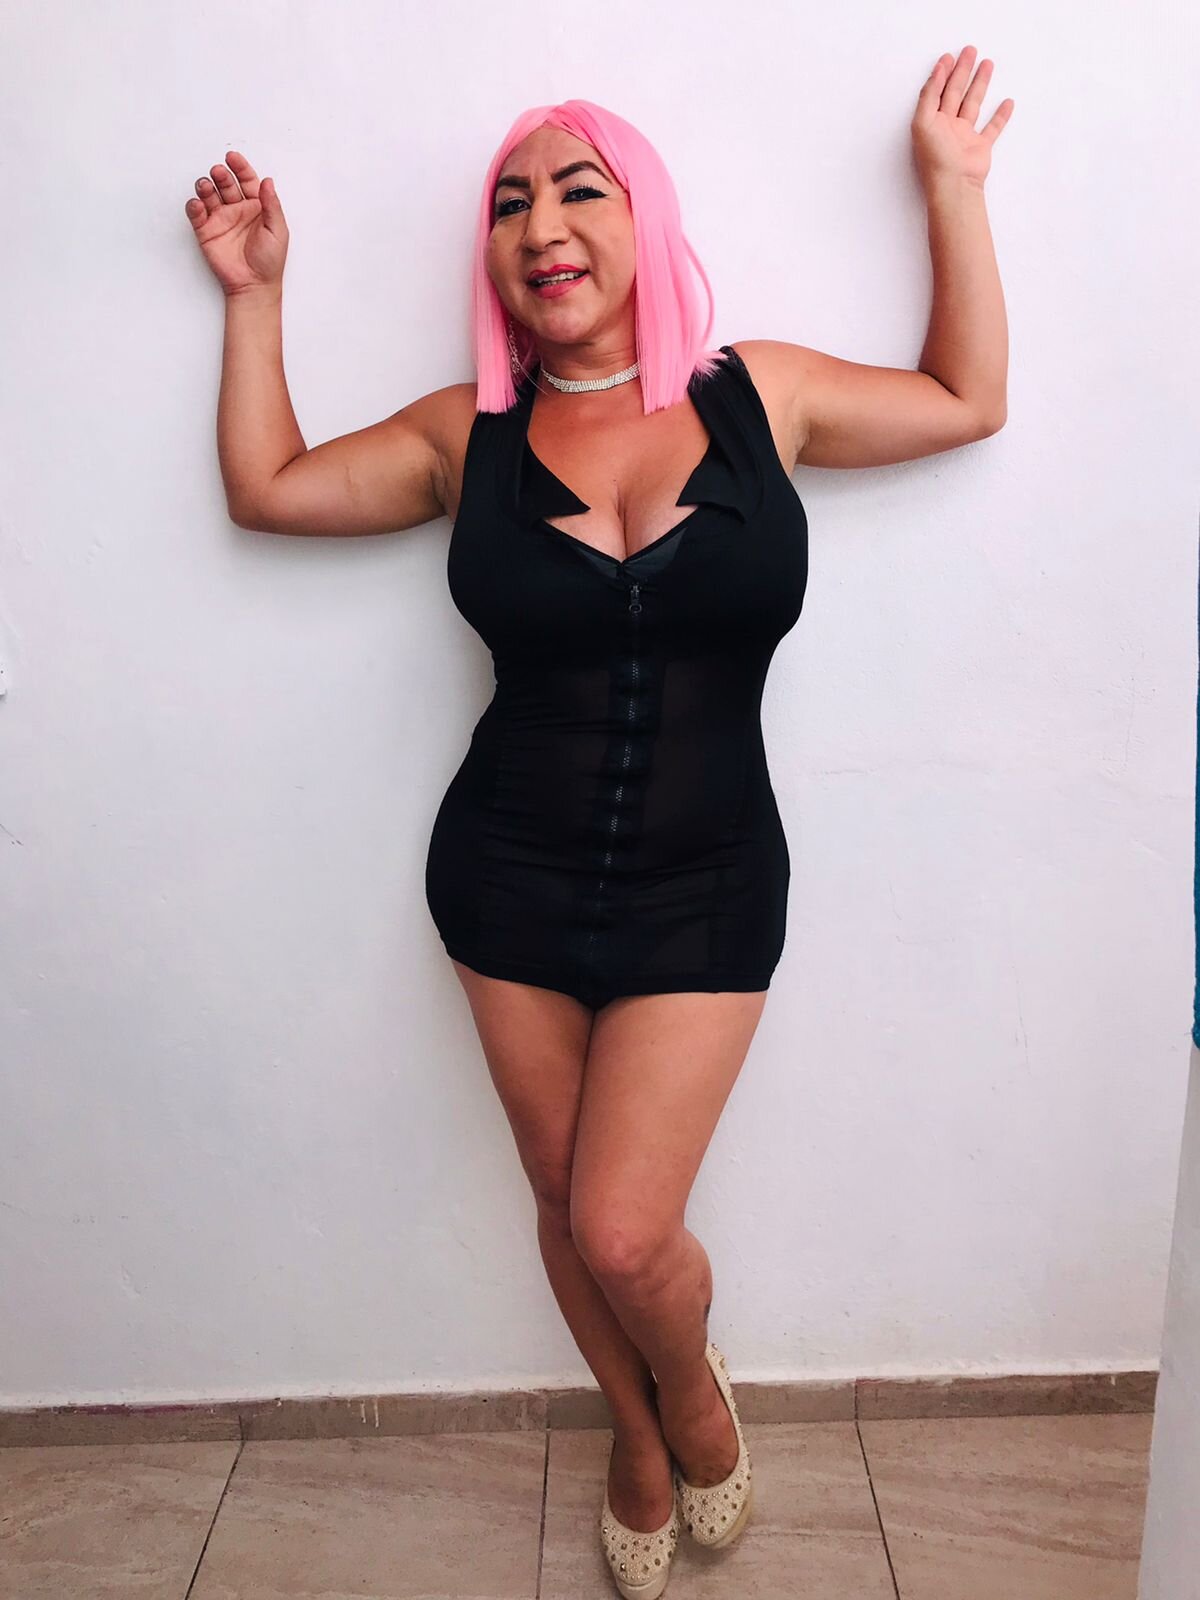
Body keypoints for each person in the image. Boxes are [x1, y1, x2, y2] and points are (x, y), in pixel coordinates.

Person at [186, 57, 1011, 1598]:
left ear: (646, 218)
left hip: (710, 877)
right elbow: (269, 491)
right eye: (510, 205)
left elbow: (969, 400)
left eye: (580, 190)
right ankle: (635, 1440)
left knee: (626, 1228)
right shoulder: (468, 435)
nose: (542, 226)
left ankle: (692, 1398)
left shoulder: (763, 395)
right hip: (505, 873)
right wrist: (254, 297)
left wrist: (952, 191)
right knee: (564, 1203)